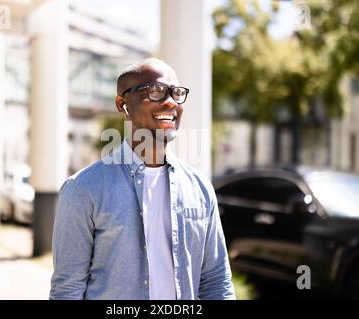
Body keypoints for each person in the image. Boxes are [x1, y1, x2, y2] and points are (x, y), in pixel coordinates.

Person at [50, 58, 236, 300]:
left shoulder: (200, 188)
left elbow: (216, 282)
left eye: (176, 93)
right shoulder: (83, 189)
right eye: (155, 92)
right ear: (122, 104)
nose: (170, 103)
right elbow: (67, 290)